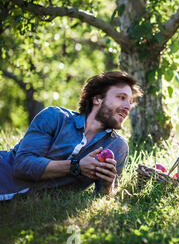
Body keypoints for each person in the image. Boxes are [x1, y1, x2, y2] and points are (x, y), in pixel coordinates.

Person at [0, 71, 143, 201]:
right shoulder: (55, 117)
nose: (128, 107)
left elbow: (101, 202)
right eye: (121, 97)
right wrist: (76, 167)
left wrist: (107, 186)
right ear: (98, 99)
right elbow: (22, 165)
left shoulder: (116, 147)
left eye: (130, 102)